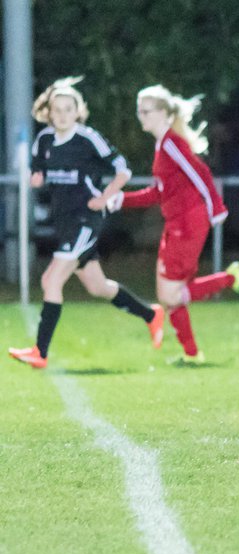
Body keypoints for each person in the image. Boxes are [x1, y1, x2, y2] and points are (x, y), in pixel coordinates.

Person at [8, 77, 166, 369]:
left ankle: (39, 352)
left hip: (87, 220)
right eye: (57, 110)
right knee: (97, 286)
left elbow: (123, 170)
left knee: (50, 279)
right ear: (49, 112)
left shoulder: (87, 138)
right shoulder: (43, 140)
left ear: (78, 110)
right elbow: (37, 172)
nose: (63, 114)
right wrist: (36, 179)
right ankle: (151, 315)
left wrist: (105, 196)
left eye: (69, 109)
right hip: (65, 223)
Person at [115, 84, 239, 364]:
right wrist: (121, 201)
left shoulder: (171, 143)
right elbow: (159, 192)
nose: (140, 116)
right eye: (139, 111)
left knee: (171, 295)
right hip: (176, 223)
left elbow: (201, 172)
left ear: (163, 114)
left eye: (146, 111)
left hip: (188, 224)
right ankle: (192, 354)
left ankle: (232, 278)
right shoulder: (163, 145)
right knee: (170, 293)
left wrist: (216, 209)